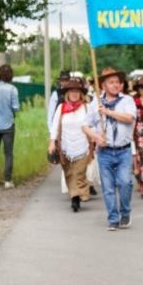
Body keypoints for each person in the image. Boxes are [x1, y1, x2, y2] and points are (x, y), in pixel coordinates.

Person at [90, 67, 137, 230]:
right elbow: (85, 126)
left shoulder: (127, 101)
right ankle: (113, 218)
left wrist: (108, 112)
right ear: (103, 85)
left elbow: (129, 118)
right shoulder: (95, 103)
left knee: (125, 183)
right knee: (108, 187)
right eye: (111, 82)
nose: (116, 85)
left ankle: (125, 213)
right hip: (105, 152)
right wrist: (96, 137)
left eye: (118, 82)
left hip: (123, 150)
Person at [48, 73, 96, 212]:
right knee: (69, 173)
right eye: (72, 91)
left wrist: (95, 138)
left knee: (80, 172)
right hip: (66, 147)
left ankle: (77, 196)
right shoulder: (61, 108)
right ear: (67, 93)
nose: (74, 94)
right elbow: (55, 126)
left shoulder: (87, 108)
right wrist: (52, 143)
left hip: (83, 146)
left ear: (81, 94)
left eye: (77, 91)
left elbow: (93, 125)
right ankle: (75, 195)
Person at [47, 69, 71, 133]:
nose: (65, 83)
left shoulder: (73, 93)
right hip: (59, 125)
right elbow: (51, 114)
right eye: (63, 80)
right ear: (60, 82)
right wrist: (51, 131)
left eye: (67, 80)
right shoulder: (56, 94)